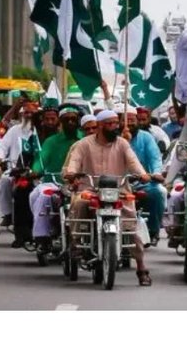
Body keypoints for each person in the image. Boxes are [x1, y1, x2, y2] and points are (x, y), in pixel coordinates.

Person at [62, 109, 153, 285]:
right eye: (109, 124)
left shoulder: (122, 144)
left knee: (131, 227)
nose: (114, 127)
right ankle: (76, 243)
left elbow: (134, 162)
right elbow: (74, 162)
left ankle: (141, 269)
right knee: (79, 203)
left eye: (115, 123)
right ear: (100, 127)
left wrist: (143, 174)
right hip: (89, 189)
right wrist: (72, 173)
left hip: (118, 190)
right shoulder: (83, 144)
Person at [31, 106, 84, 248]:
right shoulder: (51, 141)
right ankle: (42, 237)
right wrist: (35, 171)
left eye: (74, 119)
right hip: (55, 183)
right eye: (67, 120)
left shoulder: (85, 139)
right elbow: (41, 160)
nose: (71, 123)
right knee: (41, 194)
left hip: (82, 184)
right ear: (60, 122)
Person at [0, 100, 41, 228]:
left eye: (32, 113)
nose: (29, 115)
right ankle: (8, 214)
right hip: (15, 169)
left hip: (36, 171)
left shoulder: (41, 130)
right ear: (21, 115)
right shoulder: (14, 130)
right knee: (3, 180)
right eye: (26, 112)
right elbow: (2, 147)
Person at [125, 108, 166, 245]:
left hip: (142, 181)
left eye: (132, 121)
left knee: (157, 193)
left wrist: (156, 173)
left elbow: (155, 158)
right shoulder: (114, 138)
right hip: (118, 184)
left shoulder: (146, 137)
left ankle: (153, 231)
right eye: (126, 121)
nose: (129, 124)